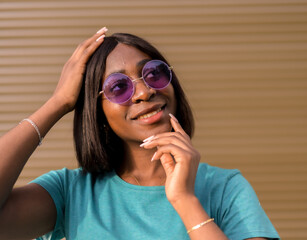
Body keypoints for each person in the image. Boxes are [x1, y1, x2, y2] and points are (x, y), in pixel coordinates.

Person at [0, 27, 280, 240]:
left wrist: (184, 200)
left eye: (153, 73)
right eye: (119, 87)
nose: (145, 92)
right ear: (97, 111)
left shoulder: (225, 187)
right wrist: (58, 103)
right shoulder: (70, 192)